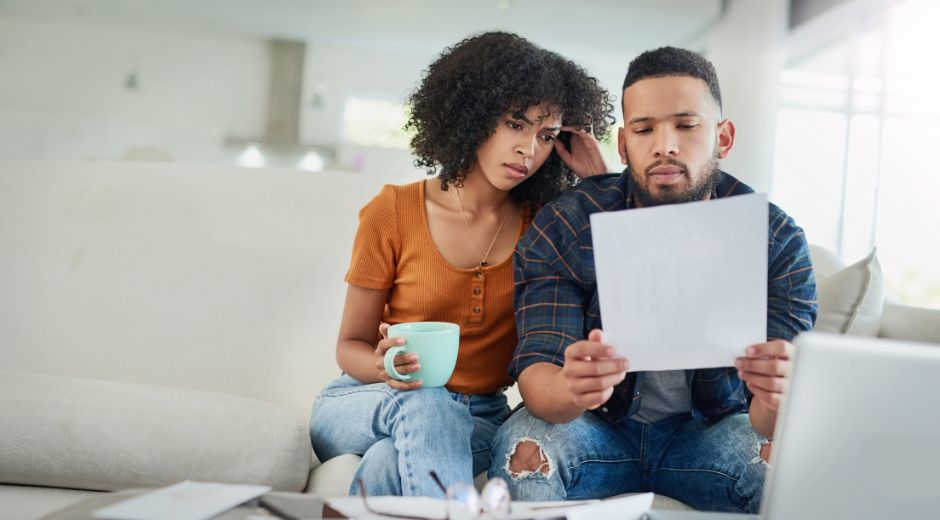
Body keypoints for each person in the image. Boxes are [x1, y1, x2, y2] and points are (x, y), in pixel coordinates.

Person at [487, 46, 817, 513]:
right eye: (644, 129)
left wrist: (777, 391)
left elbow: (771, 423)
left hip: (712, 432)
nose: (665, 145)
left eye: (686, 125)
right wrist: (573, 387)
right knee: (523, 447)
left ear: (723, 137)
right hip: (594, 427)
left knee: (790, 467)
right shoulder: (568, 224)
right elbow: (540, 381)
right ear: (623, 145)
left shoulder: (776, 239)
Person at [308, 31, 613, 498]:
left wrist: (599, 184)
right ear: (471, 113)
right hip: (366, 400)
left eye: (546, 135)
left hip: (478, 418)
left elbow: (626, 282)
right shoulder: (392, 211)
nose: (528, 150)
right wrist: (384, 364)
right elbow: (349, 345)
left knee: (388, 462)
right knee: (428, 401)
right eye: (515, 124)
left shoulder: (546, 226)